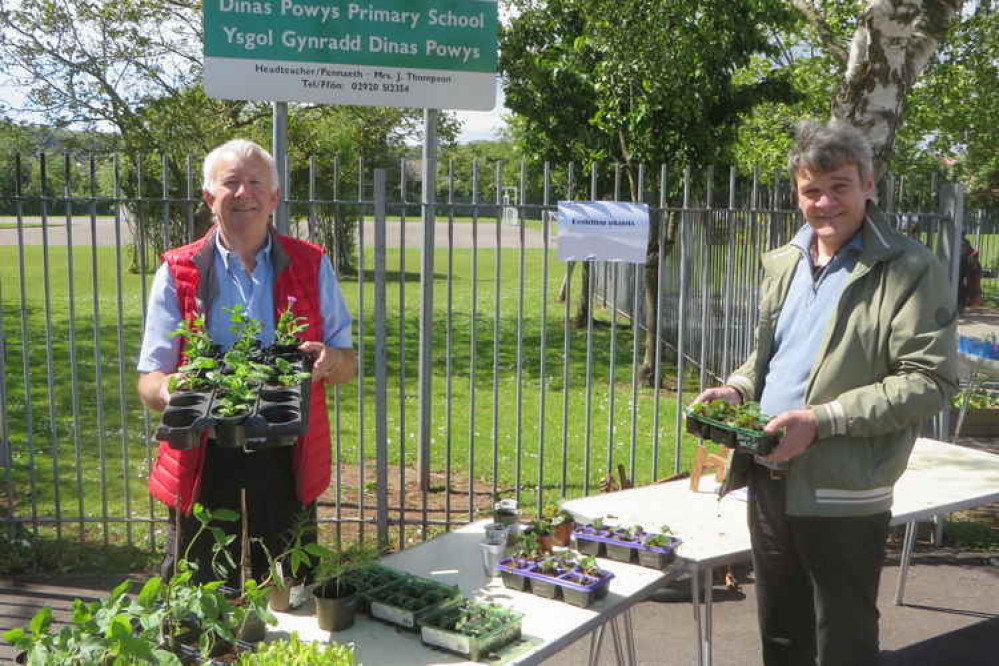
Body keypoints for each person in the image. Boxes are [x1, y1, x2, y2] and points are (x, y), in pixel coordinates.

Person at [695, 120, 957, 666]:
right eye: (811, 190)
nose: (824, 202)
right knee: (782, 631)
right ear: (797, 193)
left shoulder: (908, 268)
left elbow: (929, 381)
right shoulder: (785, 262)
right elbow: (774, 357)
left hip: (844, 489)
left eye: (839, 186)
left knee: (844, 637)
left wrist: (822, 420)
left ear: (869, 184)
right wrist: (738, 390)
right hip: (767, 477)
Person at [137, 139, 357, 584]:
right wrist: (167, 390)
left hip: (286, 445)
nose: (244, 193)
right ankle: (203, 649)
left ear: (274, 197)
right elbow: (149, 378)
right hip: (202, 448)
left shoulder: (311, 264)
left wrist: (330, 359)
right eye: (231, 183)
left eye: (256, 183)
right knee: (199, 581)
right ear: (208, 196)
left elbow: (348, 363)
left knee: (289, 577)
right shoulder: (177, 271)